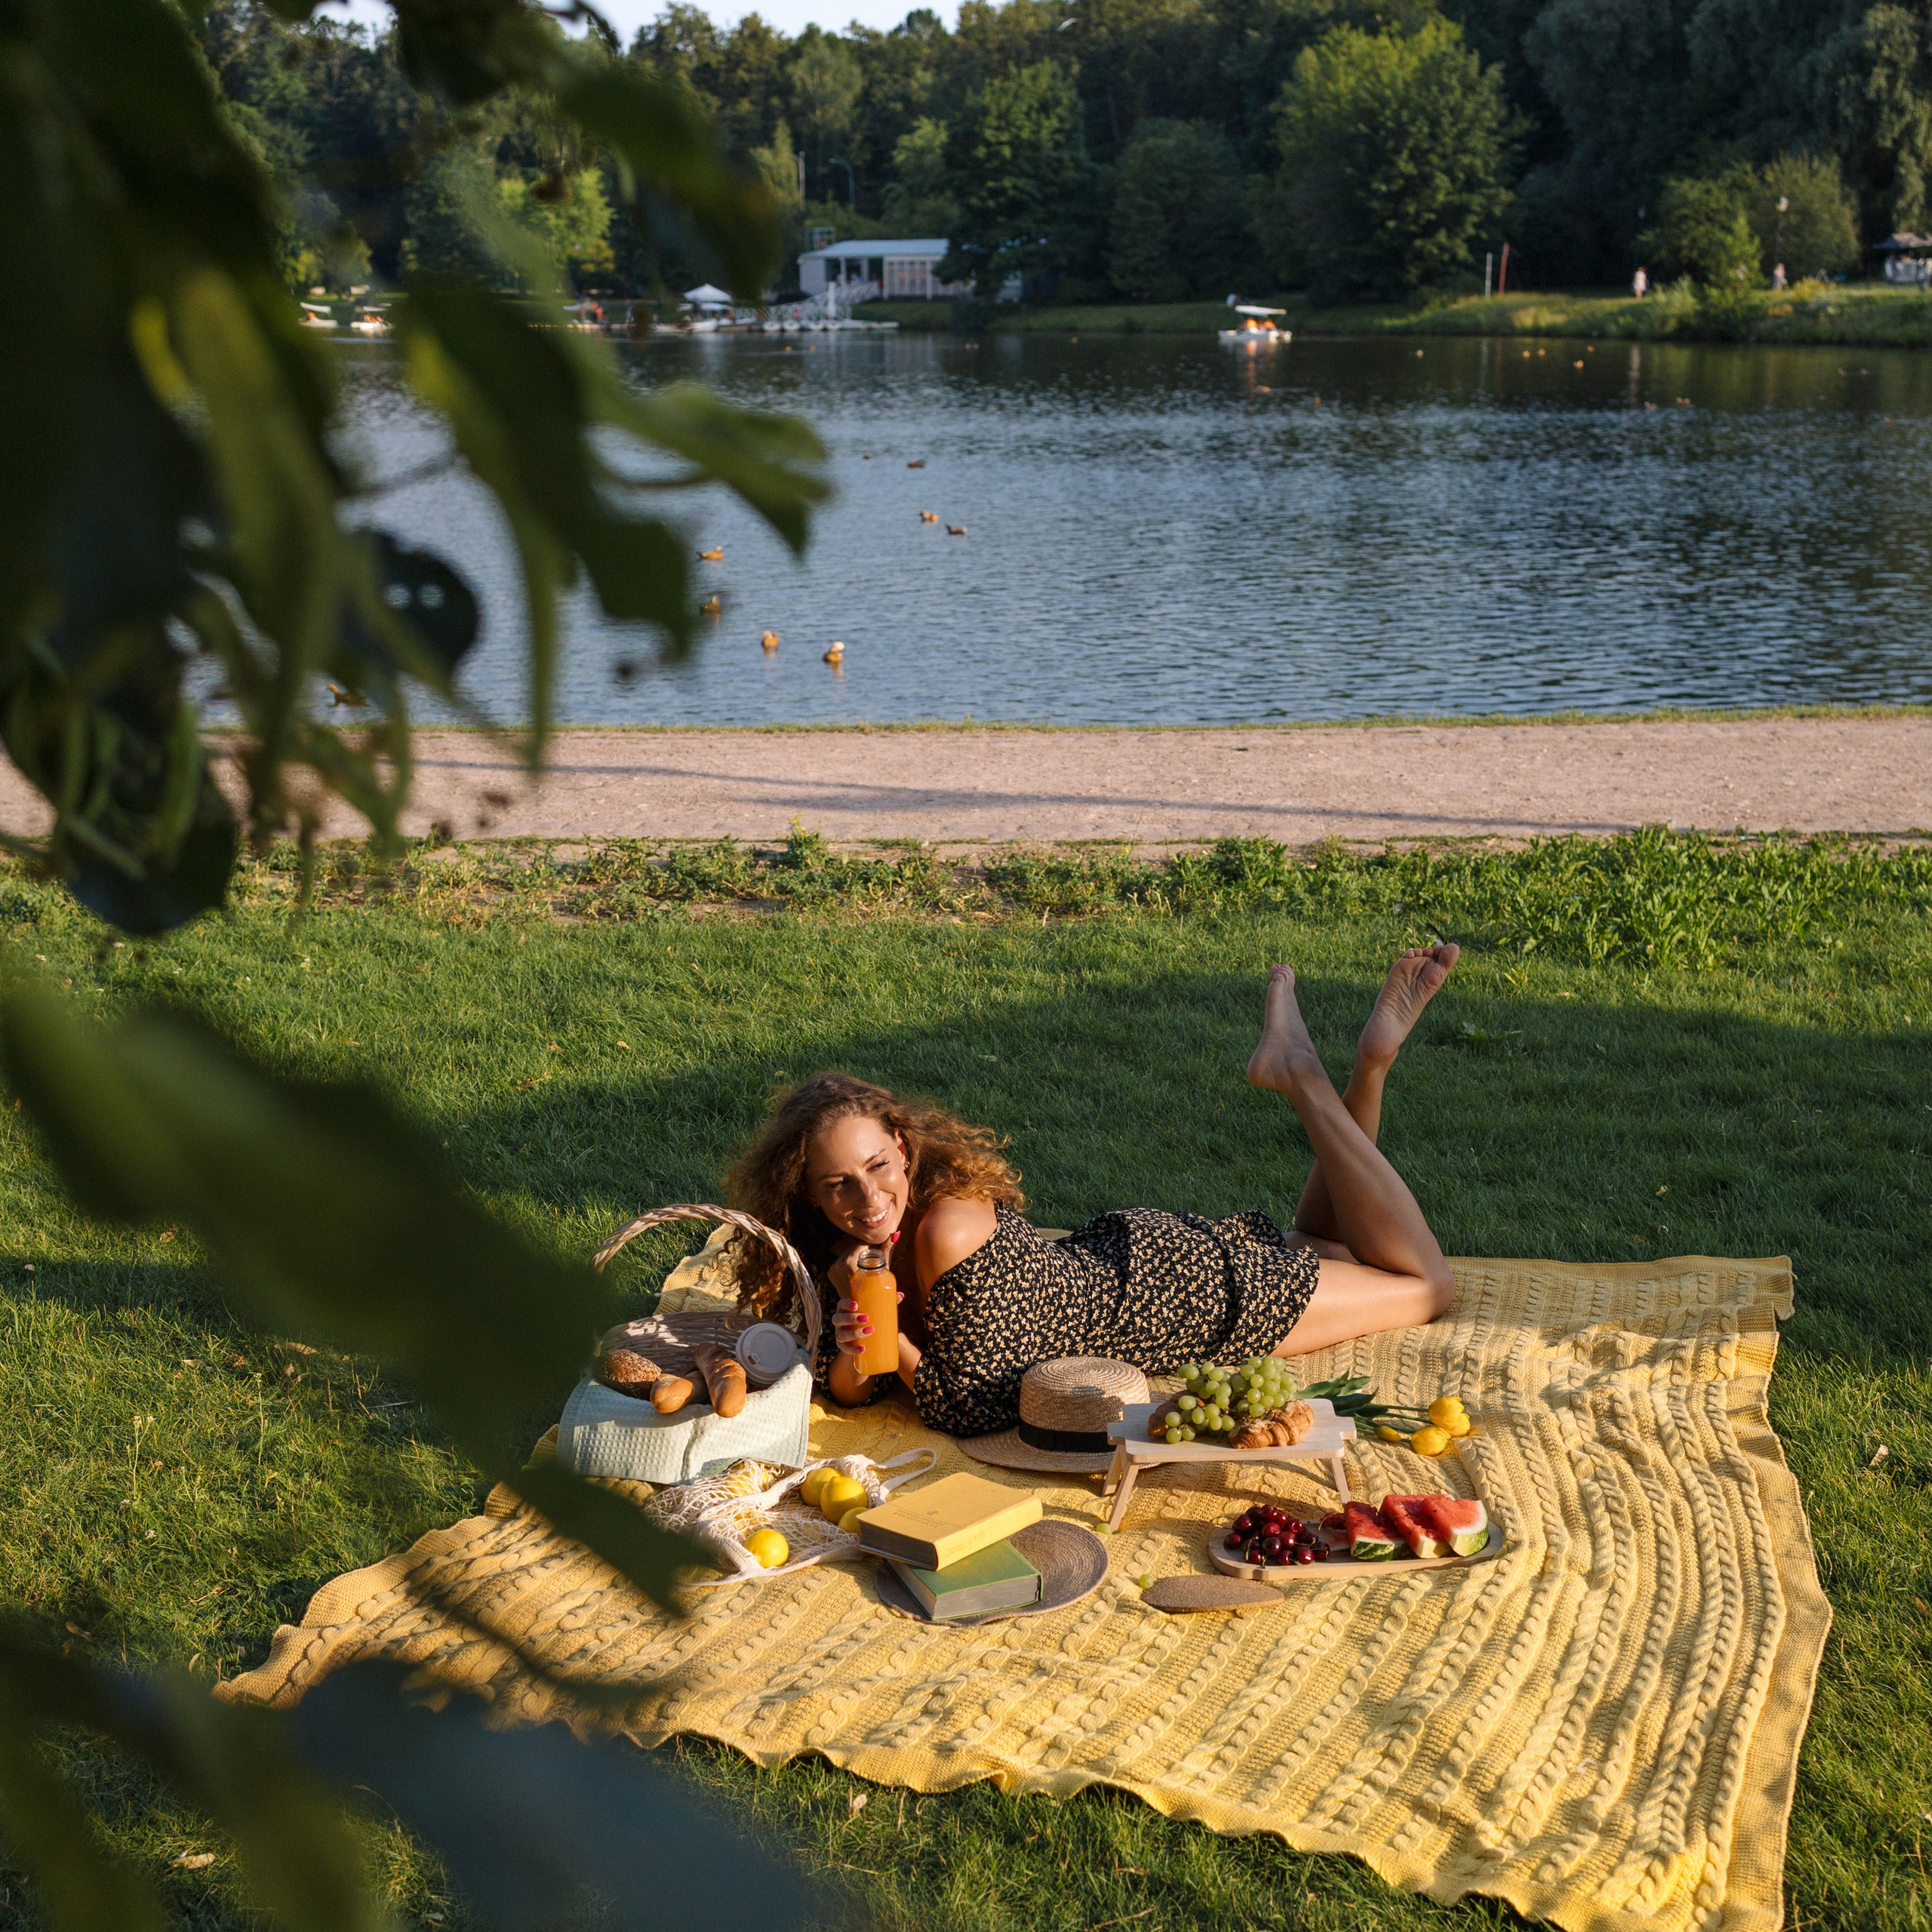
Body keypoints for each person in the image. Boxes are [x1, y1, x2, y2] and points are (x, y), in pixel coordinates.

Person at [723, 949, 1460, 1436]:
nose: (867, 1197)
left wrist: (900, 1351)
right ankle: (1370, 1064)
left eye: (879, 1166)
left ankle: (1298, 1071)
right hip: (1137, 1261)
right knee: (1331, 1245)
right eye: (838, 1185)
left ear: (905, 1149)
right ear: (810, 1197)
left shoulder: (944, 1229)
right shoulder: (845, 1255)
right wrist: (856, 1326)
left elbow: (974, 1405)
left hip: (1185, 1300)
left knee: (1427, 1286)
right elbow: (853, 1387)